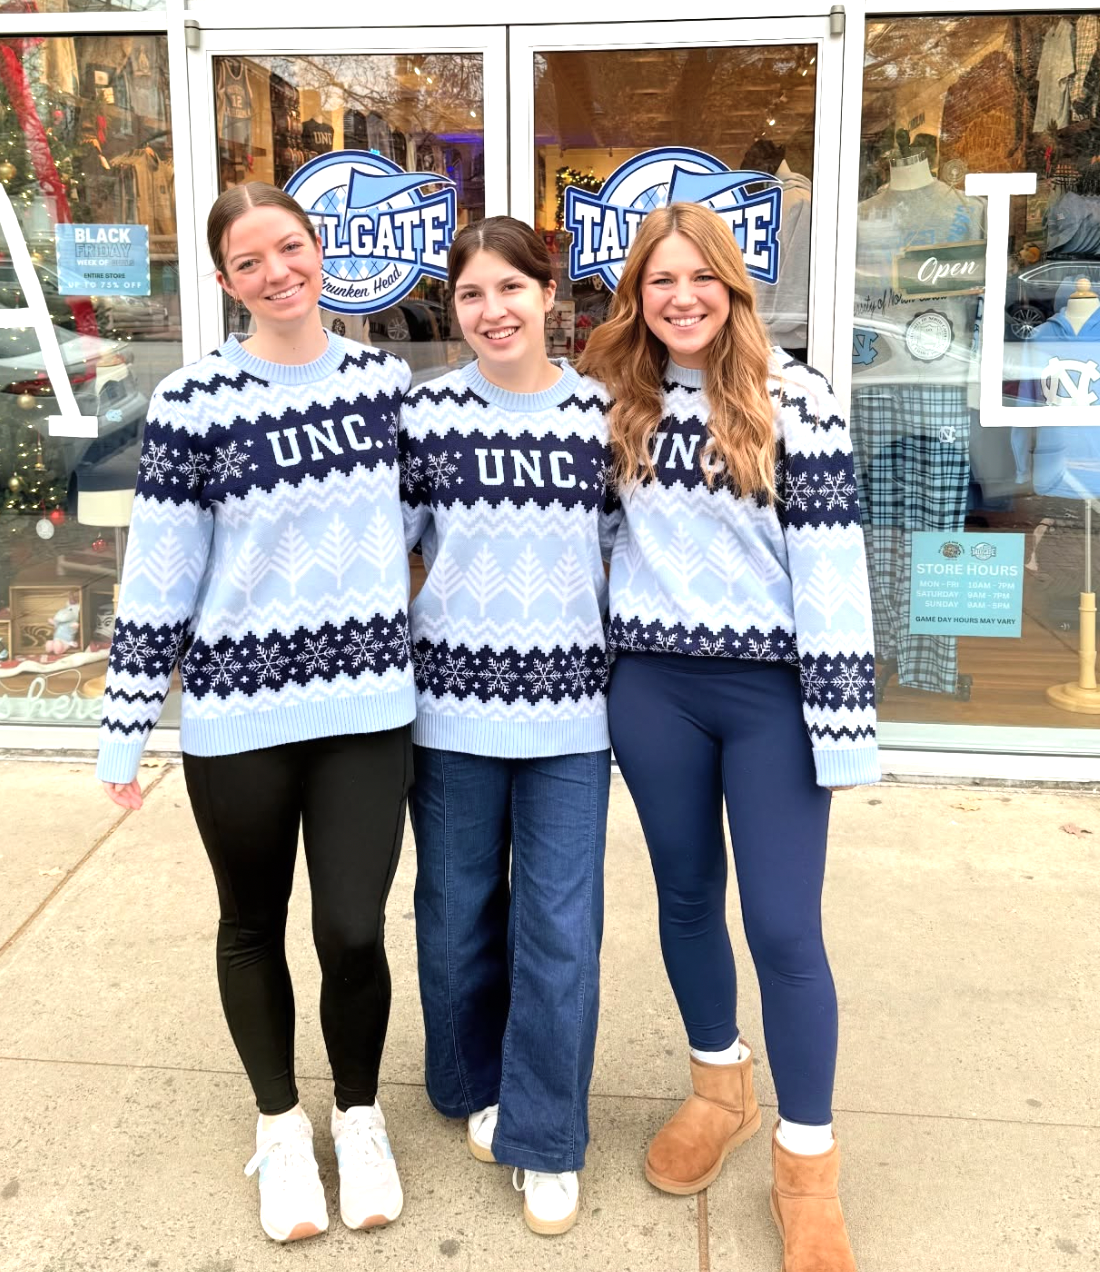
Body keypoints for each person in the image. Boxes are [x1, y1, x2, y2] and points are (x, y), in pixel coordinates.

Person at [97, 182, 415, 1244]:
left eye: (290, 247)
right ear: (227, 281)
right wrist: (128, 722)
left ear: (320, 250)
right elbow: (161, 572)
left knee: (353, 928)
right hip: (238, 715)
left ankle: (358, 1117)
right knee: (251, 922)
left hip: (366, 707)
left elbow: (439, 528)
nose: (277, 272)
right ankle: (280, 1128)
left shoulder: (384, 387)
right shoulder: (193, 400)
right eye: (249, 261)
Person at [580, 201, 879, 1272]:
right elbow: (593, 549)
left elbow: (833, 570)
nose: (681, 297)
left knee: (785, 928)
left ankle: (807, 1167)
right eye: (659, 280)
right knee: (685, 897)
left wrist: (840, 726)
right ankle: (719, 1087)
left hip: (771, 701)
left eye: (699, 277)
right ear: (637, 295)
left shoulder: (798, 399)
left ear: (733, 285)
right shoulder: (615, 398)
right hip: (652, 690)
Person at [399, 216, 619, 1236]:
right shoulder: (426, 413)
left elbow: (631, 553)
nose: (492, 311)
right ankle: (471, 1079)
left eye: (511, 289)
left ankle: (545, 1135)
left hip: (571, 716)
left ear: (548, 295)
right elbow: (384, 548)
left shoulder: (602, 414)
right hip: (449, 711)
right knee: (454, 921)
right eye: (472, 294)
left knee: (560, 932)